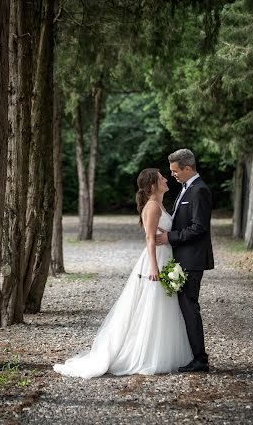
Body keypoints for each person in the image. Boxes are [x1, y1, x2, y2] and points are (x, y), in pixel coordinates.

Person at [53, 168, 193, 379]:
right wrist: (154, 267)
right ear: (153, 185)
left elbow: (159, 233)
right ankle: (144, 354)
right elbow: (149, 238)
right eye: (161, 178)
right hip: (156, 259)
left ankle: (159, 350)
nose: (166, 180)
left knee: (161, 305)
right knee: (152, 305)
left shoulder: (158, 204)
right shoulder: (153, 206)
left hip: (165, 257)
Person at [156, 148, 214, 373]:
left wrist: (169, 238)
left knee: (190, 308)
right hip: (182, 258)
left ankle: (200, 359)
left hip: (191, 260)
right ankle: (193, 355)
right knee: (186, 307)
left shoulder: (200, 191)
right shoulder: (185, 189)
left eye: (175, 171)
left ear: (188, 168)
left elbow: (199, 228)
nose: (173, 175)